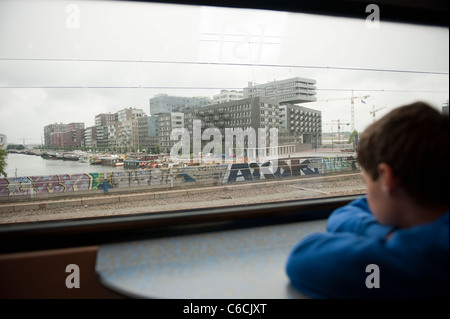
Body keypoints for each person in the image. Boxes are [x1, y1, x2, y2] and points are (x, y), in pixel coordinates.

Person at [286, 102, 449, 299]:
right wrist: (388, 233)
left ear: (386, 178)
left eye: (366, 182)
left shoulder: (420, 258)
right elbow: (347, 213)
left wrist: (388, 235)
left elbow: (303, 258)